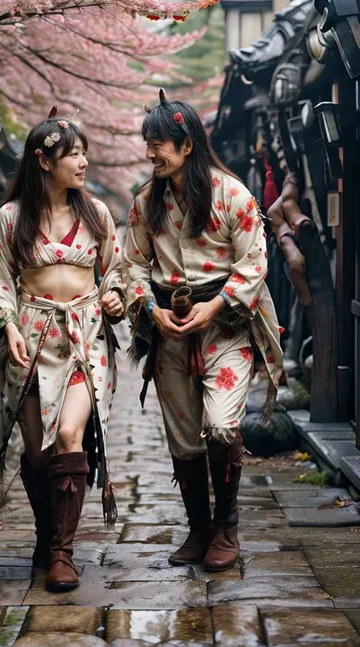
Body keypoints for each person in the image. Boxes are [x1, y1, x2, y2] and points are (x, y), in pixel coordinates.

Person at [123, 91, 283, 572]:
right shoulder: (145, 203)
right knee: (183, 437)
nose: (151, 153)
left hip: (228, 325)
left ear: (187, 144)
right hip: (169, 328)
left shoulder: (234, 195)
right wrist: (150, 309)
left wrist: (216, 305)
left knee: (219, 424)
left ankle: (227, 526)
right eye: (148, 143)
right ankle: (198, 529)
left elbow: (254, 263)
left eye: (159, 144)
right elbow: (130, 267)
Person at [0, 108, 125, 592]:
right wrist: (10, 328)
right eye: (73, 154)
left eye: (84, 152)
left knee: (68, 435)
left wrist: (114, 297)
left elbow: (118, 273)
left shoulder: (97, 213)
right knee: (40, 454)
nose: (83, 162)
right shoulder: (11, 217)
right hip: (33, 338)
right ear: (43, 161)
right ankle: (47, 535)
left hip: (83, 338)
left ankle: (63, 554)